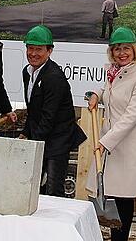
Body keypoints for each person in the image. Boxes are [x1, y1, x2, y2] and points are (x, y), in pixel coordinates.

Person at [86, 27, 136, 241]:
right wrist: (97, 94)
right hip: (112, 145)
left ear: (135, 50)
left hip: (128, 147)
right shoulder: (114, 73)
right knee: (111, 196)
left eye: (126, 48)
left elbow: (131, 117)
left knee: (123, 200)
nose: (122, 53)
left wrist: (105, 142)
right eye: (117, 49)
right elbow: (107, 91)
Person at [20, 25, 87, 196]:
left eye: (39, 49)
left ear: (49, 51)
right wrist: (25, 133)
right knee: (32, 187)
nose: (33, 53)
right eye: (30, 48)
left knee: (53, 189)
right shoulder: (27, 73)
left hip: (58, 139)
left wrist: (33, 143)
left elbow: (49, 116)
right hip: (41, 136)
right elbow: (34, 110)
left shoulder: (54, 77)